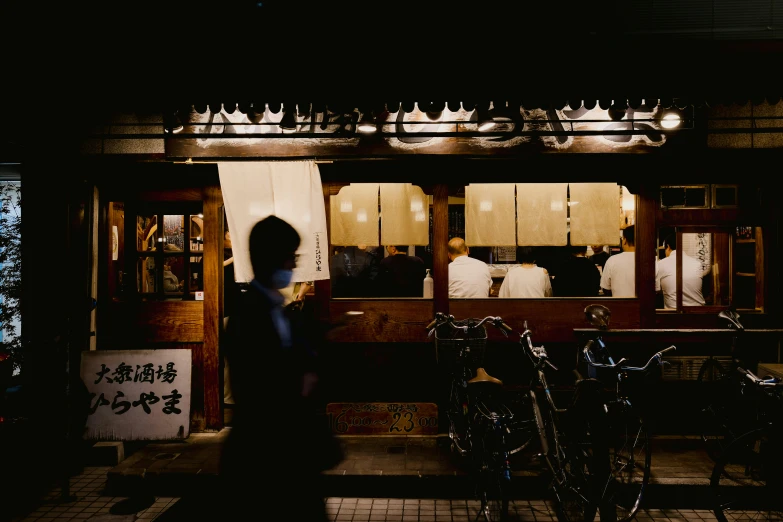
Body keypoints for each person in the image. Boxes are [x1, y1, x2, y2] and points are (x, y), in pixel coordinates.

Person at [220, 215, 342, 522]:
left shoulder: (279, 310)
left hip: (285, 452)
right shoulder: (248, 314)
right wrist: (302, 379)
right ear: (271, 258)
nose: (292, 266)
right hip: (264, 454)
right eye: (290, 256)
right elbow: (257, 386)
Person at [655, 233, 706, 308]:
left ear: (668, 247)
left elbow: (656, 290)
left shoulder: (660, 264)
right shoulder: (697, 263)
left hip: (674, 314)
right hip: (699, 311)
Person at [600, 225, 636, 297]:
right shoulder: (649, 260)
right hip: (643, 307)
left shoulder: (612, 260)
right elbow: (656, 290)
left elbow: (605, 288)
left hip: (619, 306)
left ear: (625, 240)